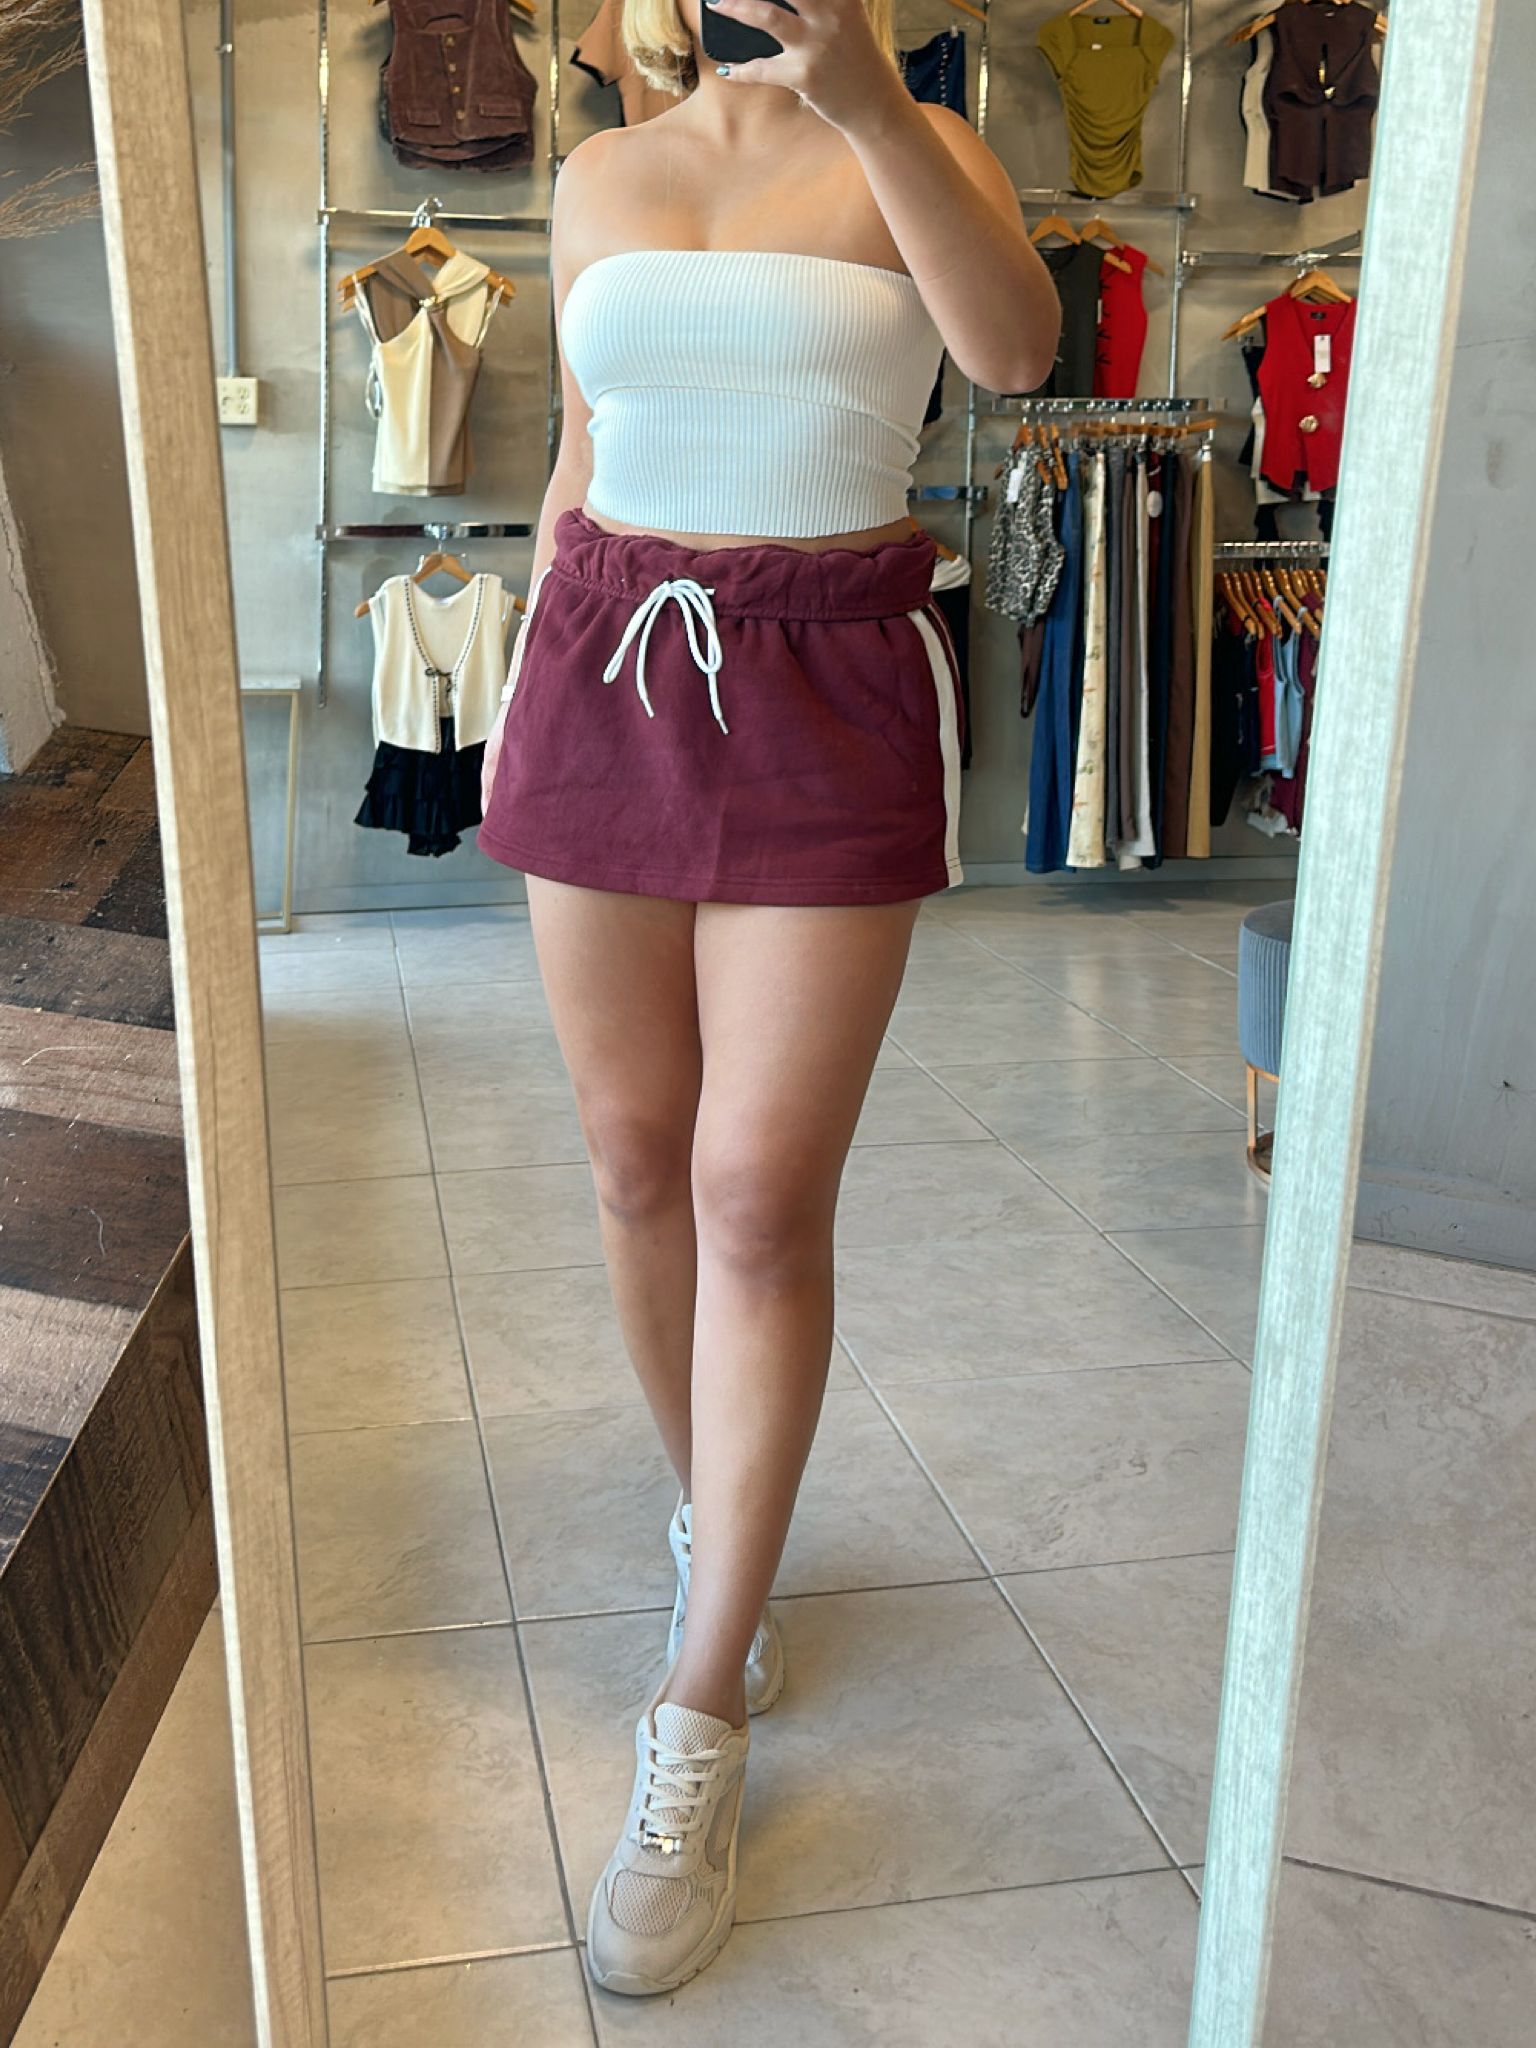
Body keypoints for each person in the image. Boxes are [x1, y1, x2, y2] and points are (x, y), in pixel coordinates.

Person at [477, 0, 1059, 1997]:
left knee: (754, 1193)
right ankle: (711, 1520)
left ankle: (701, 1701)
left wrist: (874, 102)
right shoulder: (595, 173)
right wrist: (518, 704)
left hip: (828, 677)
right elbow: (579, 458)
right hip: (597, 664)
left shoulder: (923, 145)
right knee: (634, 1161)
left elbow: (1015, 355)